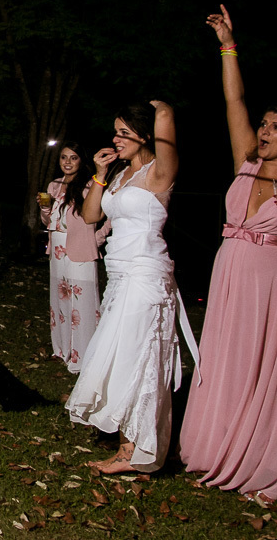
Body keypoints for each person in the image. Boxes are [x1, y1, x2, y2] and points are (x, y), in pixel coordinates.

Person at [179, 5, 277, 506]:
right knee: (228, 361)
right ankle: (214, 449)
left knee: (270, 369)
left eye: (274, 127)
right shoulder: (245, 162)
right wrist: (228, 44)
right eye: (264, 124)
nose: (264, 131)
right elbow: (235, 98)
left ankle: (267, 467)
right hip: (233, 273)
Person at [66, 100, 195, 474]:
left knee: (139, 357)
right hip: (119, 274)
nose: (116, 138)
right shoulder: (119, 175)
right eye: (115, 131)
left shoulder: (160, 172)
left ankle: (134, 451)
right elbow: (91, 215)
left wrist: (164, 110)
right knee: (121, 353)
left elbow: (166, 129)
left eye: (124, 132)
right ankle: (132, 443)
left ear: (144, 135)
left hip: (145, 273)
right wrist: (102, 173)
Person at [37, 143, 109, 373]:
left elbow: (109, 217)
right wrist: (44, 209)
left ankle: (84, 355)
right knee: (60, 301)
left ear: (82, 161)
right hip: (57, 249)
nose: (67, 162)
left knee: (83, 303)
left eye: (73, 158)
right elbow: (47, 222)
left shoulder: (91, 184)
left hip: (80, 249)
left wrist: (96, 239)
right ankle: (62, 349)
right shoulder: (54, 185)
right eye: (64, 158)